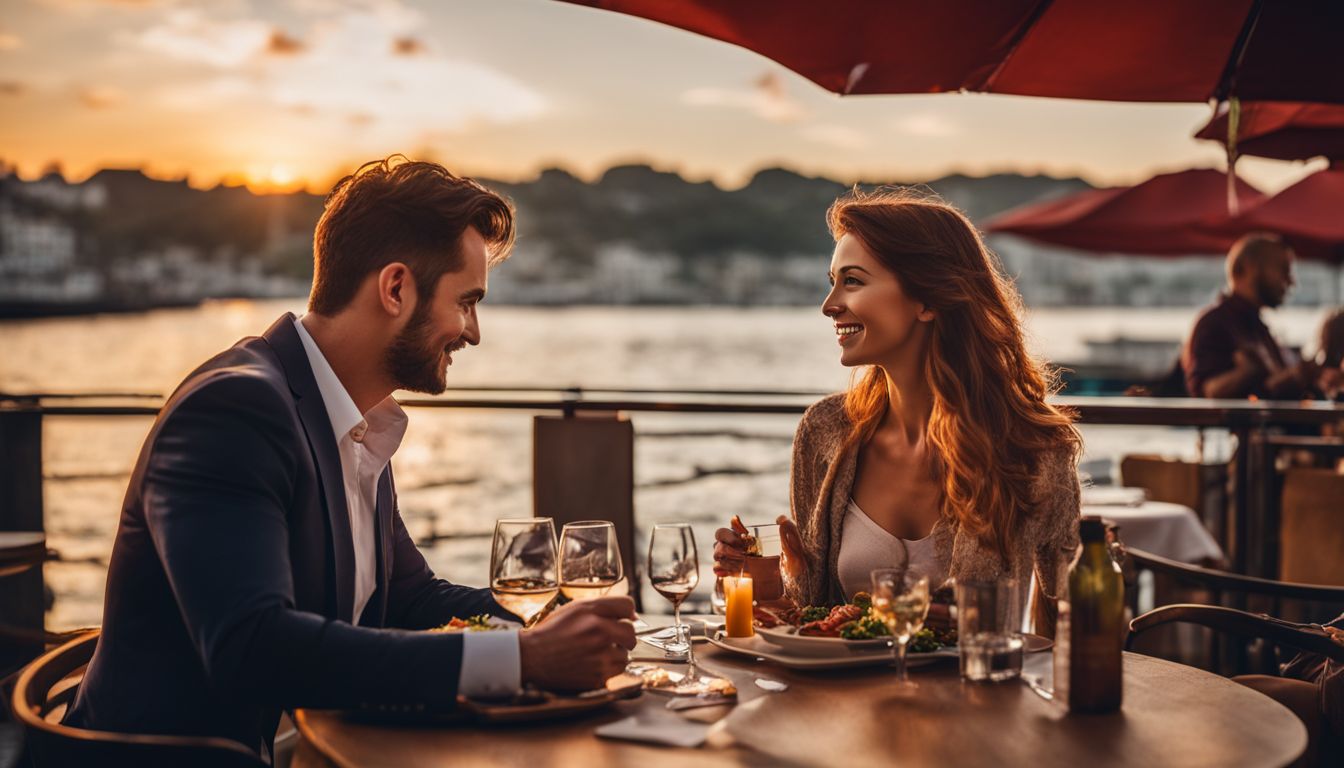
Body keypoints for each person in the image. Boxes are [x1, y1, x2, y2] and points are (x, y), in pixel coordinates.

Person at [65, 157, 636, 762]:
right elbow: (252, 649)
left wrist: (557, 620)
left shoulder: (353, 419)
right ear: (395, 289)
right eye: (466, 302)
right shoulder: (235, 411)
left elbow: (409, 600)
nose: (473, 332)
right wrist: (523, 659)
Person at [713, 189, 1081, 633]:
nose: (829, 305)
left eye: (852, 281)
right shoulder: (825, 432)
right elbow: (814, 616)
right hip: (839, 701)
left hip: (981, 699)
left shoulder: (1032, 447)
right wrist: (761, 577)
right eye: (833, 282)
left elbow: (1078, 610)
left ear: (927, 300)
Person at [1182, 233, 1321, 399]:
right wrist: (1245, 373)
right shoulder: (1214, 324)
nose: (1291, 281)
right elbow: (1205, 392)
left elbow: (1266, 390)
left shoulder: (1255, 325)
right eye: (1283, 269)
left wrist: (1298, 377)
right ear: (1248, 268)